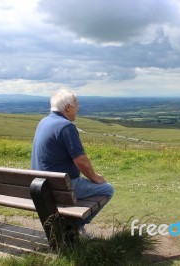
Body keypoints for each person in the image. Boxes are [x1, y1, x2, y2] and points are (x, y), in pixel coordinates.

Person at [31, 89, 114, 234]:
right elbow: (80, 161)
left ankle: (68, 224)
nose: (78, 108)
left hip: (39, 185)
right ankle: (75, 228)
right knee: (107, 189)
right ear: (68, 107)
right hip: (59, 186)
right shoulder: (66, 126)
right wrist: (95, 178)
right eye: (77, 104)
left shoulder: (44, 121)